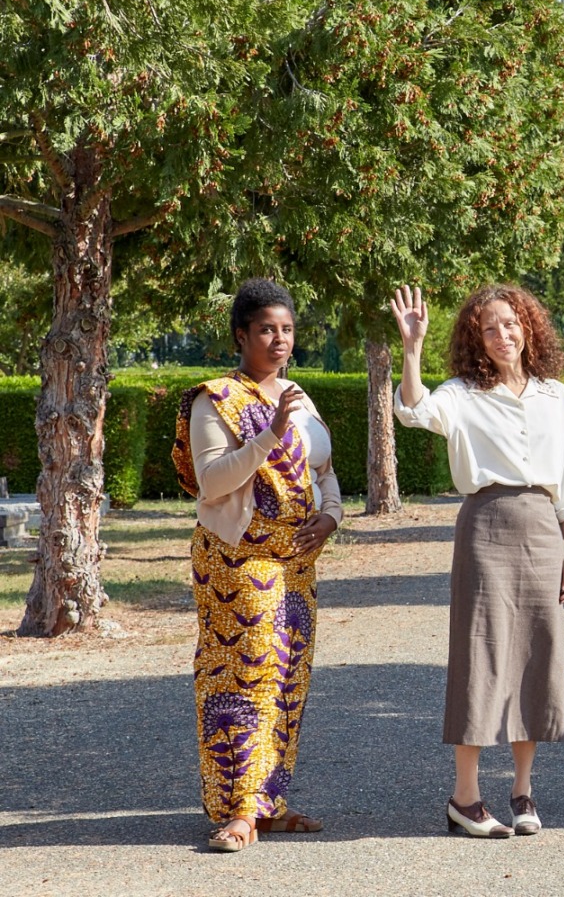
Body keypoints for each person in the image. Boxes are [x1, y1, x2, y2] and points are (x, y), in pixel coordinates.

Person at [390, 284, 564, 839]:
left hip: (544, 529)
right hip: (486, 525)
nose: (503, 335)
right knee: (479, 656)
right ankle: (465, 797)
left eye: (512, 323)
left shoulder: (557, 396)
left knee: (536, 657)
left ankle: (522, 791)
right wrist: (411, 349)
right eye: (490, 327)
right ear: (476, 338)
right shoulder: (460, 393)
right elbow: (412, 411)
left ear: (529, 328)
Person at [172, 278, 343, 852]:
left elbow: (323, 469)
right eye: (266, 329)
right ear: (241, 335)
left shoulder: (299, 394)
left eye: (287, 329)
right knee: (244, 680)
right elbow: (212, 480)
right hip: (237, 563)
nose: (279, 340)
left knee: (289, 682)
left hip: (296, 564)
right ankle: (238, 811)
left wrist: (333, 516)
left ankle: (269, 803)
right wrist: (270, 434)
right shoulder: (214, 399)